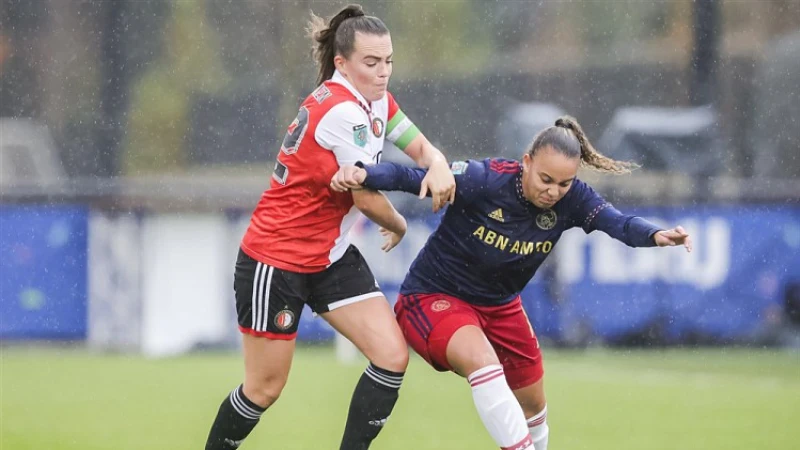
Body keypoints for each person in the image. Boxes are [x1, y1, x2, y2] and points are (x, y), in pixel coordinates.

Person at [330, 115, 693, 450]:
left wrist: (656, 234)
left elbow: (617, 222)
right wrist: (364, 174)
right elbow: (412, 178)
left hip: (501, 307)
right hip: (433, 298)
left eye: (564, 183)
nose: (553, 191)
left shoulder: (574, 200)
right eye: (546, 179)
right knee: (482, 362)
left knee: (535, 406)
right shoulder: (484, 179)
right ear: (527, 162)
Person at [204, 4, 456, 450]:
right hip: (276, 259)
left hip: (329, 256)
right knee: (264, 389)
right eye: (372, 63)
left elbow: (420, 147)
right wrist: (398, 223)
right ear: (342, 63)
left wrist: (437, 163)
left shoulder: (375, 100)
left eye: (389, 61)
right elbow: (363, 194)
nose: (384, 72)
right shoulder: (343, 111)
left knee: (392, 357)